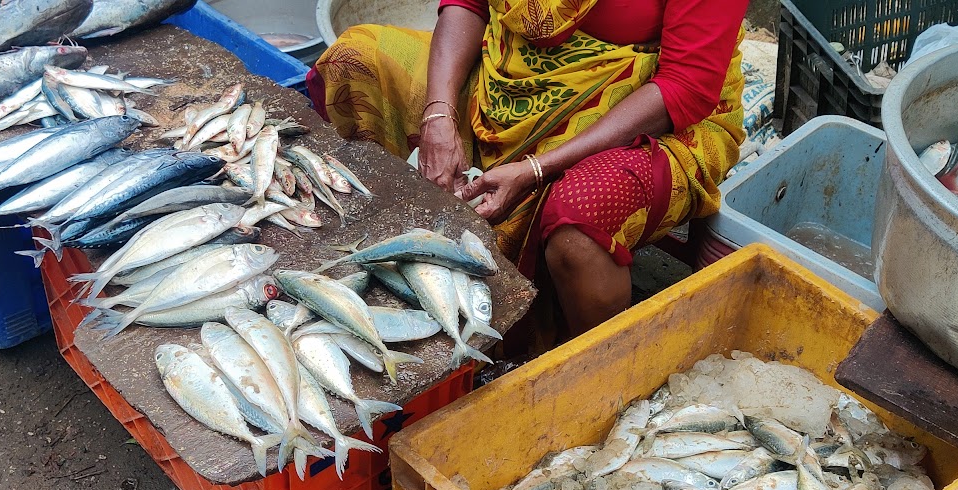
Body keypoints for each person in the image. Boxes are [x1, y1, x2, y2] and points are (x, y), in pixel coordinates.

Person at [309, 0, 748, 336]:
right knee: (356, 60)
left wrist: (536, 169)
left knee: (579, 221)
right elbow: (471, 4)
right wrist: (438, 114)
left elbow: (685, 86)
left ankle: (588, 371)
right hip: (510, 74)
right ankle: (380, 258)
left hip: (650, 111)